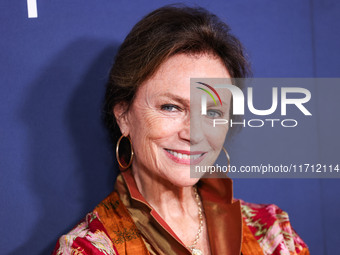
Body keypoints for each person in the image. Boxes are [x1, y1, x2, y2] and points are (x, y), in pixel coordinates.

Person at [52, 5, 309, 255]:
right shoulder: (89, 248)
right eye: (171, 107)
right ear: (124, 116)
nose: (195, 134)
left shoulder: (274, 235)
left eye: (212, 112)